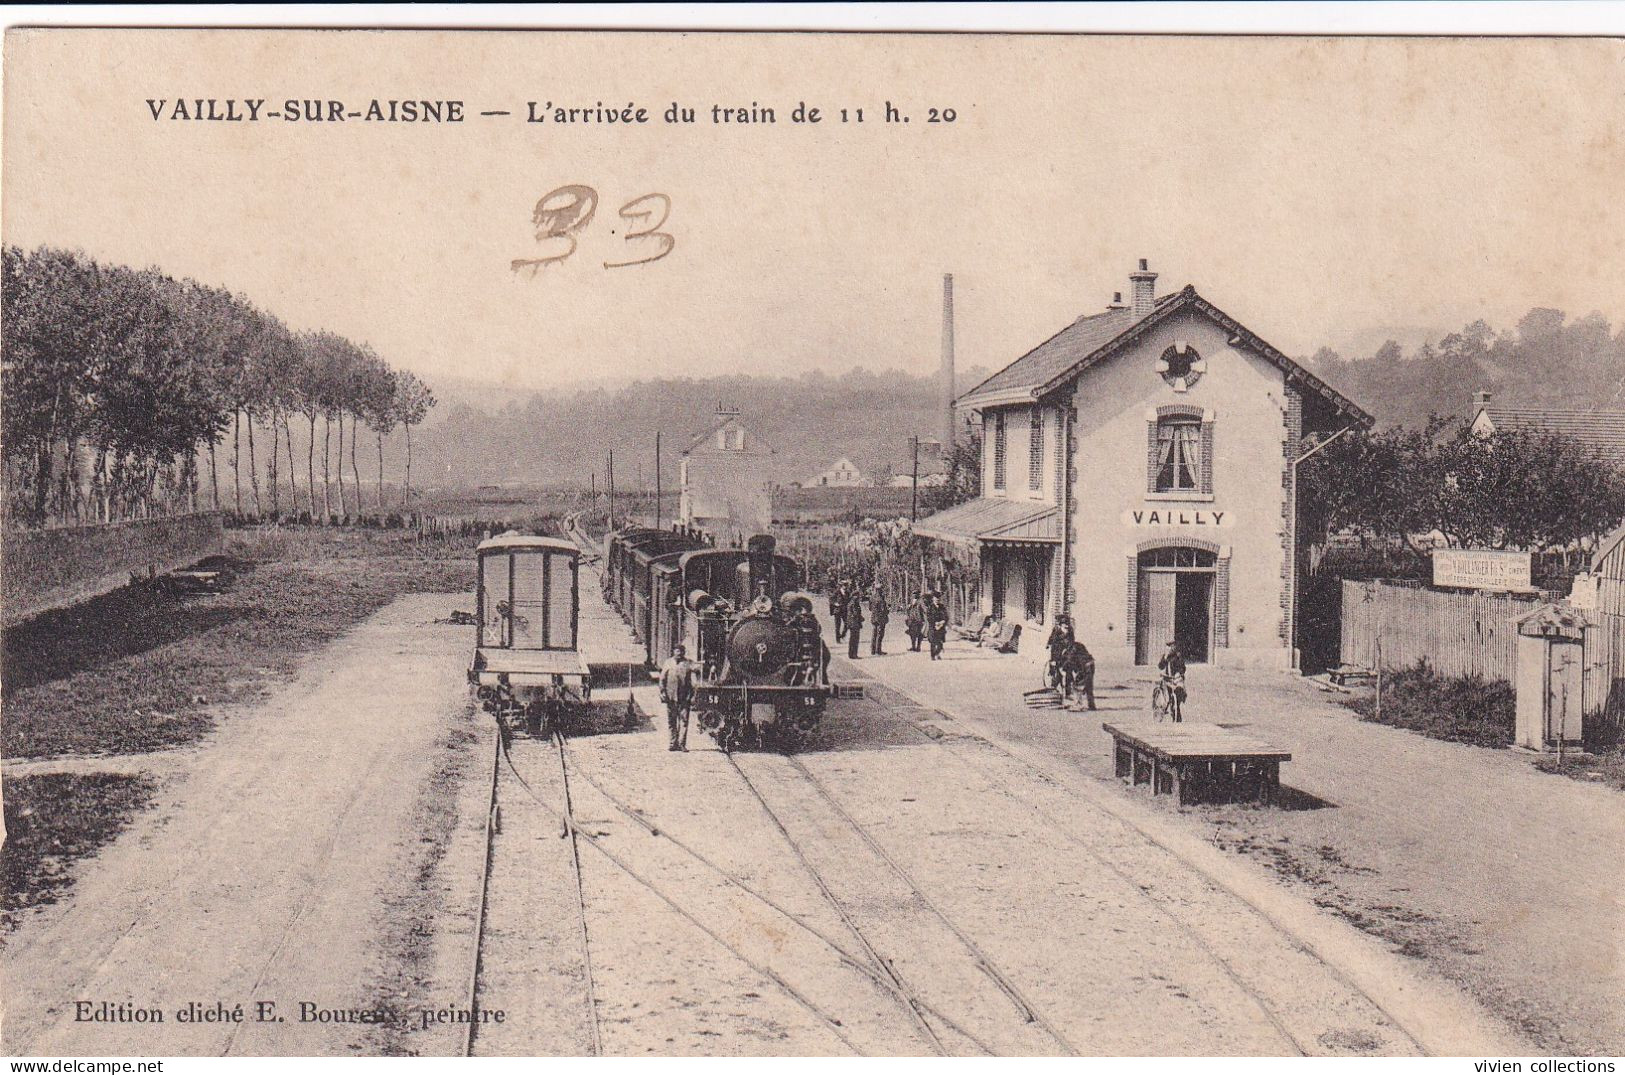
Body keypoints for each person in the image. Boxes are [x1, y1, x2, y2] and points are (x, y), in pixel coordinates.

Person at [658, 643, 696, 751]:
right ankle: (672, 743)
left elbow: (693, 681)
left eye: (681, 651)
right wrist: (662, 692)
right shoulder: (668, 663)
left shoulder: (688, 664)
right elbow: (662, 679)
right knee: (672, 720)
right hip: (671, 696)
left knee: (684, 721)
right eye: (677, 651)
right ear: (673, 652)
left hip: (684, 697)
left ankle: (681, 744)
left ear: (683, 653)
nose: (679, 653)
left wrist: (692, 695)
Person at [1069, 639, 1097, 711]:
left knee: (1077, 685)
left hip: (1086, 667)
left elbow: (1071, 659)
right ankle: (1091, 706)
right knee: (1088, 687)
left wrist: (1063, 668)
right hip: (1089, 665)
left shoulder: (1073, 648)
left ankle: (1079, 704)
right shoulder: (1077, 645)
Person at [845, 586, 865, 659]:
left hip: (852, 623)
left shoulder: (851, 603)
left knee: (852, 639)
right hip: (855, 623)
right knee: (855, 639)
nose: (859, 597)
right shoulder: (854, 604)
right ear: (855, 596)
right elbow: (856, 614)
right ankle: (854, 654)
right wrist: (861, 618)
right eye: (858, 596)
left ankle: (851, 654)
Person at [869, 585, 890, 655]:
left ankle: (873, 650)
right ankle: (878, 650)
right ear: (880, 590)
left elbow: (870, 608)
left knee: (874, 634)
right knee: (880, 634)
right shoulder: (881, 599)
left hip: (874, 618)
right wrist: (888, 611)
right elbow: (883, 610)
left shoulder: (872, 597)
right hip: (880, 619)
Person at [927, 593, 949, 660]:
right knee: (933, 642)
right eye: (935, 598)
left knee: (940, 643)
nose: (937, 600)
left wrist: (943, 621)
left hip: (941, 627)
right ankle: (932, 656)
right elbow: (928, 617)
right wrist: (935, 623)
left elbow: (946, 616)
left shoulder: (942, 607)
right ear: (933, 599)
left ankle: (937, 653)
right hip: (933, 627)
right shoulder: (930, 607)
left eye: (938, 599)